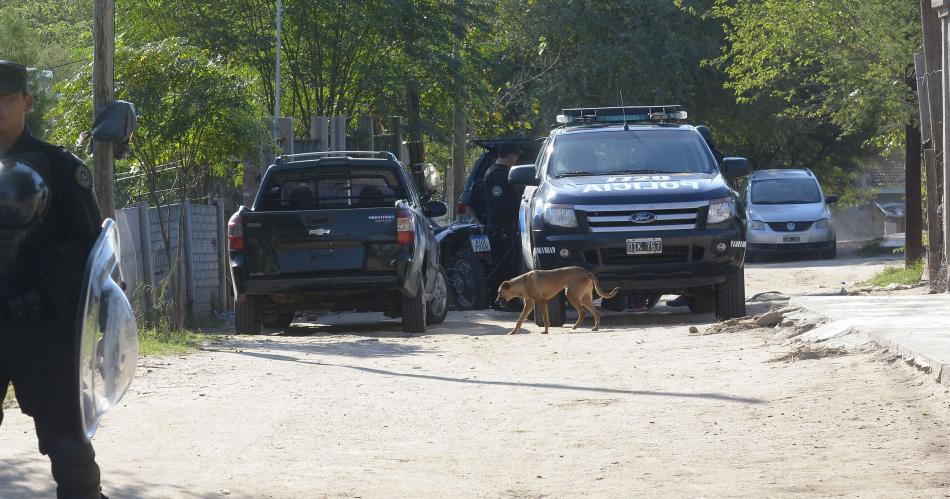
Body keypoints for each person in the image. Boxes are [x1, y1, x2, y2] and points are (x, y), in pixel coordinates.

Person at [0, 60, 107, 498]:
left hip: (41, 328)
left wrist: (95, 327)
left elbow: (94, 252)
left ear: (26, 101)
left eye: (4, 99)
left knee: (67, 438)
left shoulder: (61, 170)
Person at [483, 142, 522, 310]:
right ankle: (502, 301)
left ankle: (505, 300)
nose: (517, 159)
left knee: (507, 265)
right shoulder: (498, 174)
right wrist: (504, 229)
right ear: (510, 155)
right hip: (501, 228)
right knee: (504, 268)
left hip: (503, 227)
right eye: (515, 155)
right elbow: (498, 205)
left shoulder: (498, 172)